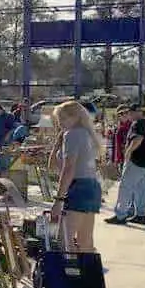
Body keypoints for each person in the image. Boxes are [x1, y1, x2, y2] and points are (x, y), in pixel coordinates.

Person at [49, 100, 104, 253]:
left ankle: (72, 275)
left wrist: (58, 200)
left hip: (77, 187)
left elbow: (68, 169)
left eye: (62, 119)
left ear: (74, 117)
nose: (60, 123)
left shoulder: (72, 134)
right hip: (92, 186)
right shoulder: (87, 133)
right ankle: (90, 274)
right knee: (85, 242)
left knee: (67, 242)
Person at [105, 113, 145, 225]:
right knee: (141, 189)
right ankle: (141, 215)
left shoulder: (138, 123)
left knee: (125, 187)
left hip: (136, 161)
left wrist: (128, 152)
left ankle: (120, 215)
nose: (127, 115)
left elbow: (138, 138)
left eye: (128, 112)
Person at [0, 104, 17, 175]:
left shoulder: (9, 116)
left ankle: (5, 174)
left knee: (4, 159)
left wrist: (8, 136)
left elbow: (13, 128)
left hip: (5, 140)